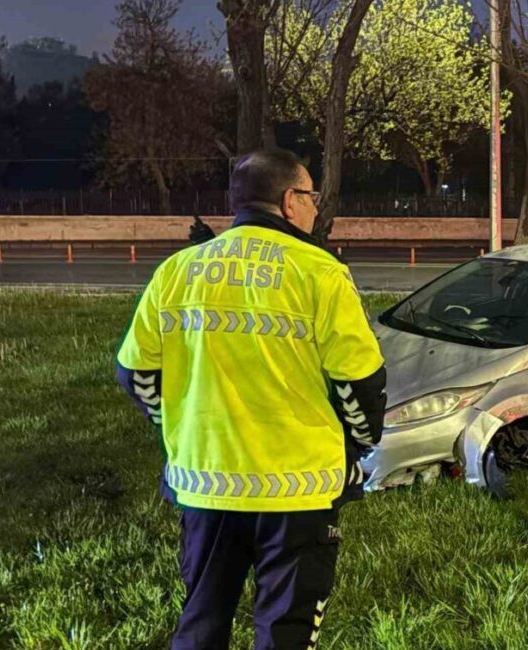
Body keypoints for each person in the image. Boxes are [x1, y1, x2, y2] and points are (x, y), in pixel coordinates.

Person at [114, 148, 387, 649]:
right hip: (299, 492)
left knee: (201, 622)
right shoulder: (320, 273)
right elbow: (360, 384)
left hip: (205, 483)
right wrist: (359, 446)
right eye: (310, 196)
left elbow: (135, 373)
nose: (314, 208)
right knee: (286, 632)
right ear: (288, 202)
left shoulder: (176, 272)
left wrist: (172, 423)